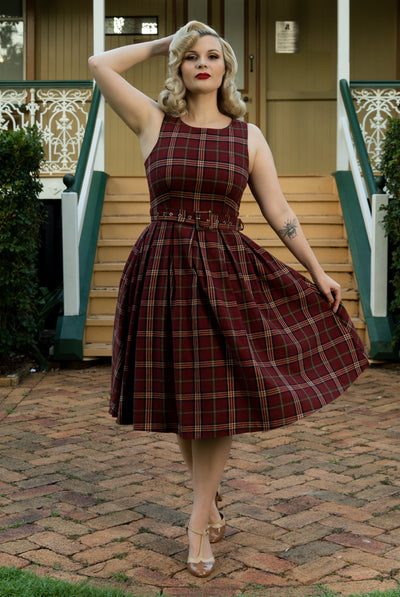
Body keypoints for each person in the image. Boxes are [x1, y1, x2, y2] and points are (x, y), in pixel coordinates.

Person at [88, 21, 369, 578]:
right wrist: (164, 40)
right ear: (180, 64)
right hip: (162, 272)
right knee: (187, 403)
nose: (201, 63)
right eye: (190, 55)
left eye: (212, 55)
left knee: (215, 399)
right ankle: (208, 499)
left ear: (226, 69)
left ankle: (197, 519)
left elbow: (279, 212)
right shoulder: (152, 121)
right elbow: (99, 66)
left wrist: (317, 270)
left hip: (224, 274)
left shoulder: (248, 136)